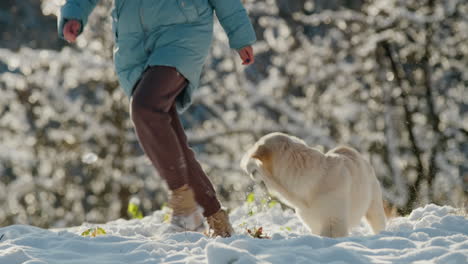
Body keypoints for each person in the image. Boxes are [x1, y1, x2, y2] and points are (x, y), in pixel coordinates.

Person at [57, 0, 256, 237]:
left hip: (183, 31)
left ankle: (185, 209)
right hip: (135, 42)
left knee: (145, 107)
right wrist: (73, 15)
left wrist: (240, 36)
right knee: (169, 133)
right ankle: (215, 219)